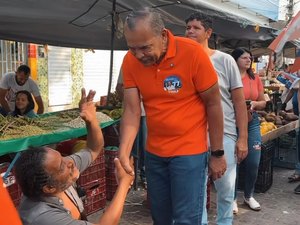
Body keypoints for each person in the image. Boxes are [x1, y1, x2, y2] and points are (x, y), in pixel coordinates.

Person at [119, 8, 226, 225]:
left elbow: (214, 104)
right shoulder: (130, 61)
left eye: (145, 47)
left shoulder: (192, 53)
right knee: (160, 218)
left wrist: (217, 153)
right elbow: (131, 111)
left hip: (189, 154)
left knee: (187, 219)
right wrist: (123, 153)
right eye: (133, 48)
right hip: (155, 154)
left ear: (163, 34)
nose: (139, 55)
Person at [15, 88, 134, 225]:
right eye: (61, 165)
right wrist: (124, 184)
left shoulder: (57, 173)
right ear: (49, 188)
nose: (70, 162)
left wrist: (91, 121)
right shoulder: (43, 217)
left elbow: (93, 149)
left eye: (62, 157)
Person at [185, 13, 248, 225]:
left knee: (226, 190)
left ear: (208, 33)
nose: (190, 31)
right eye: (188, 28)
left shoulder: (225, 60)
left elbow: (239, 102)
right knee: (197, 192)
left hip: (225, 134)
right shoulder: (184, 62)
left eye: (196, 28)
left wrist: (243, 138)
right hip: (194, 136)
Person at [231, 48, 266, 212]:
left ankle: (248, 195)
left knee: (253, 161)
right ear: (235, 59)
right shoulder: (230, 77)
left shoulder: (255, 78)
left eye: (249, 58)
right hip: (232, 123)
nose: (248, 60)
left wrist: (253, 104)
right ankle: (231, 198)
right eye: (244, 57)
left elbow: (262, 101)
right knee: (234, 162)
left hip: (252, 122)